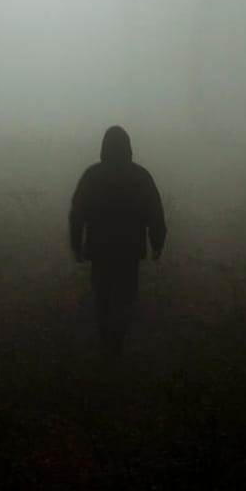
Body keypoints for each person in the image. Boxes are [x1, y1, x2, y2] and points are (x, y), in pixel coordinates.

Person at [69, 125, 167, 358]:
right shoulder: (140, 176)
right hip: (129, 251)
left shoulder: (92, 175)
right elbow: (155, 212)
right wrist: (157, 242)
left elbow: (77, 213)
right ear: (128, 148)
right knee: (125, 298)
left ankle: (106, 345)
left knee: (102, 298)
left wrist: (76, 245)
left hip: (100, 250)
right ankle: (117, 344)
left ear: (103, 148)